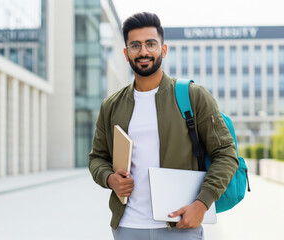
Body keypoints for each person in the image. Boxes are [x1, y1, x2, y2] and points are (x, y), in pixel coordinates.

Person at [88, 12, 239, 240]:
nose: (144, 52)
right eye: (135, 45)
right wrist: (110, 178)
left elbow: (226, 154)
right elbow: (97, 158)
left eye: (151, 44)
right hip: (127, 227)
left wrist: (201, 204)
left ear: (164, 49)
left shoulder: (193, 96)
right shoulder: (111, 106)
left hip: (180, 224)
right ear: (126, 53)